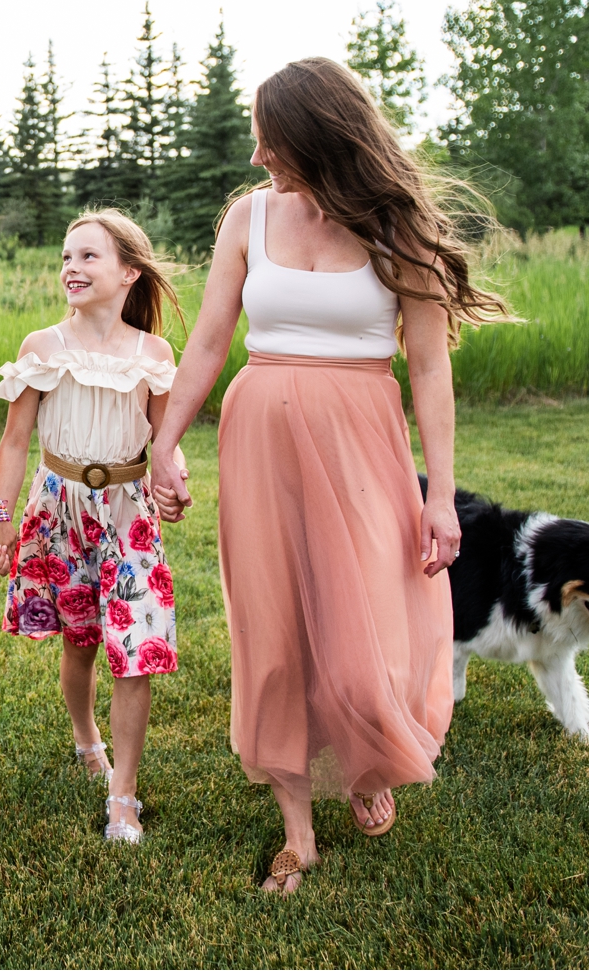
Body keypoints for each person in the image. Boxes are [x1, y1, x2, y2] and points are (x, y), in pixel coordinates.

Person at [149, 57, 511, 893]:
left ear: (314, 138)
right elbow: (208, 341)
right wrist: (166, 441)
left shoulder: (398, 229)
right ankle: (297, 833)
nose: (255, 157)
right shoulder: (249, 218)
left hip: (360, 439)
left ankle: (371, 759)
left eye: (269, 140)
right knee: (273, 632)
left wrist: (441, 493)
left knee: (363, 635)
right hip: (259, 437)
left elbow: (428, 369)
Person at [0, 211, 184, 844]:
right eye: (67, 257)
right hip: (58, 511)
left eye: (89, 257)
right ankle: (84, 735)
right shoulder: (42, 347)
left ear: (128, 272)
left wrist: (172, 478)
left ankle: (123, 794)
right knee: (81, 641)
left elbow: (164, 438)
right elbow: (15, 443)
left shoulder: (153, 354)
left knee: (135, 650)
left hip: (127, 515)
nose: (72, 267)